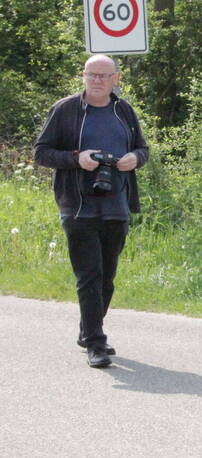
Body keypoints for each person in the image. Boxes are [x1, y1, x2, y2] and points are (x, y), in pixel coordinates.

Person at [33, 54, 149, 368]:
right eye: (91, 74)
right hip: (77, 205)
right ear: (83, 76)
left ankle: (88, 331)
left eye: (103, 75)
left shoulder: (123, 110)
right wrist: (77, 158)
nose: (97, 80)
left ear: (116, 79)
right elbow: (41, 153)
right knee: (89, 275)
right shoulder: (66, 109)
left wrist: (134, 159)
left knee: (107, 277)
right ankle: (96, 344)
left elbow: (143, 148)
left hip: (116, 204)